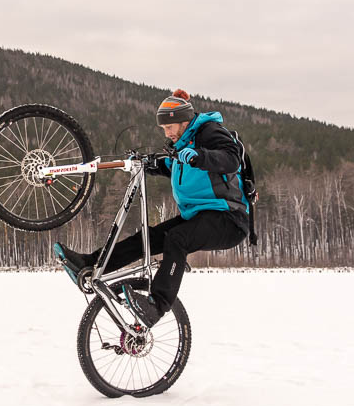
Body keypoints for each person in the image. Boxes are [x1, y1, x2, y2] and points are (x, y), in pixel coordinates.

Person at [55, 89, 250, 327]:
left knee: (177, 239)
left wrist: (199, 155)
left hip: (229, 219)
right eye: (163, 128)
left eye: (170, 126)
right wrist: (148, 163)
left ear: (184, 120)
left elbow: (231, 159)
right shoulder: (182, 145)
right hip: (201, 215)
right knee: (148, 237)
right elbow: (170, 165)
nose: (166, 132)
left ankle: (157, 306)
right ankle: (90, 264)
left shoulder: (208, 131)